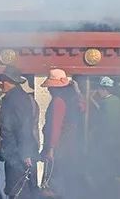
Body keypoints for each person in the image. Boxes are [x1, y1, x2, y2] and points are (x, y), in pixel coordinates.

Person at [38, 69, 86, 199]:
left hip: (59, 148)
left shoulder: (58, 101)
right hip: (70, 148)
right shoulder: (73, 100)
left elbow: (55, 127)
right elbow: (83, 107)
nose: (49, 90)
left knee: (53, 185)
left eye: (50, 87)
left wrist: (51, 149)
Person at [0, 67, 39, 199]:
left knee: (19, 190)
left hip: (19, 153)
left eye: (2, 80)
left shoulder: (17, 99)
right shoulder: (13, 98)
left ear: (10, 81)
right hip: (13, 151)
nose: (0, 83)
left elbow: (24, 126)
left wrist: (26, 153)